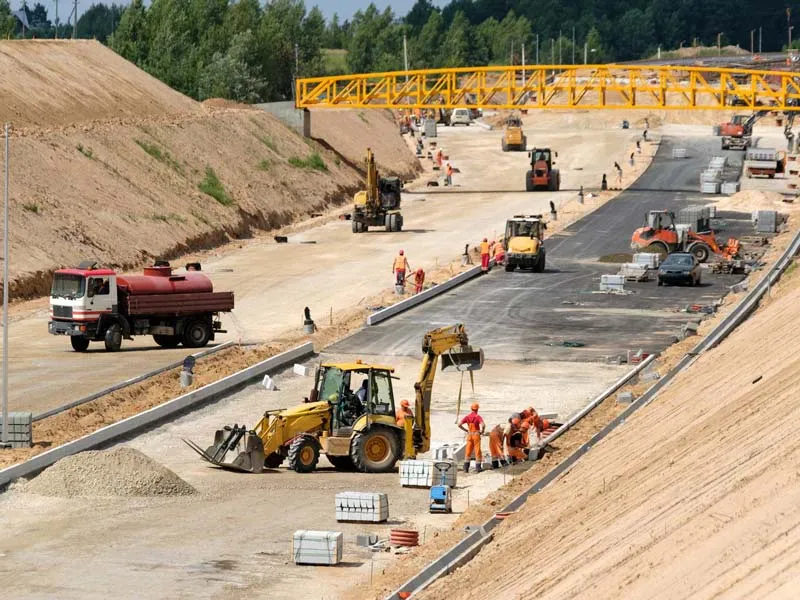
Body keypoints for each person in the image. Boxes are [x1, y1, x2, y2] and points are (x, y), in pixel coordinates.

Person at [458, 403, 485, 473]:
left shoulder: (467, 417)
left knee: (468, 451)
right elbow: (483, 425)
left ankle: (465, 468)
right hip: (476, 435)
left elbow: (459, 424)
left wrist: (466, 430)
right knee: (477, 451)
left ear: (471, 409)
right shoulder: (478, 417)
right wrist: (482, 431)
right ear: (477, 409)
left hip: (469, 435)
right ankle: (478, 468)